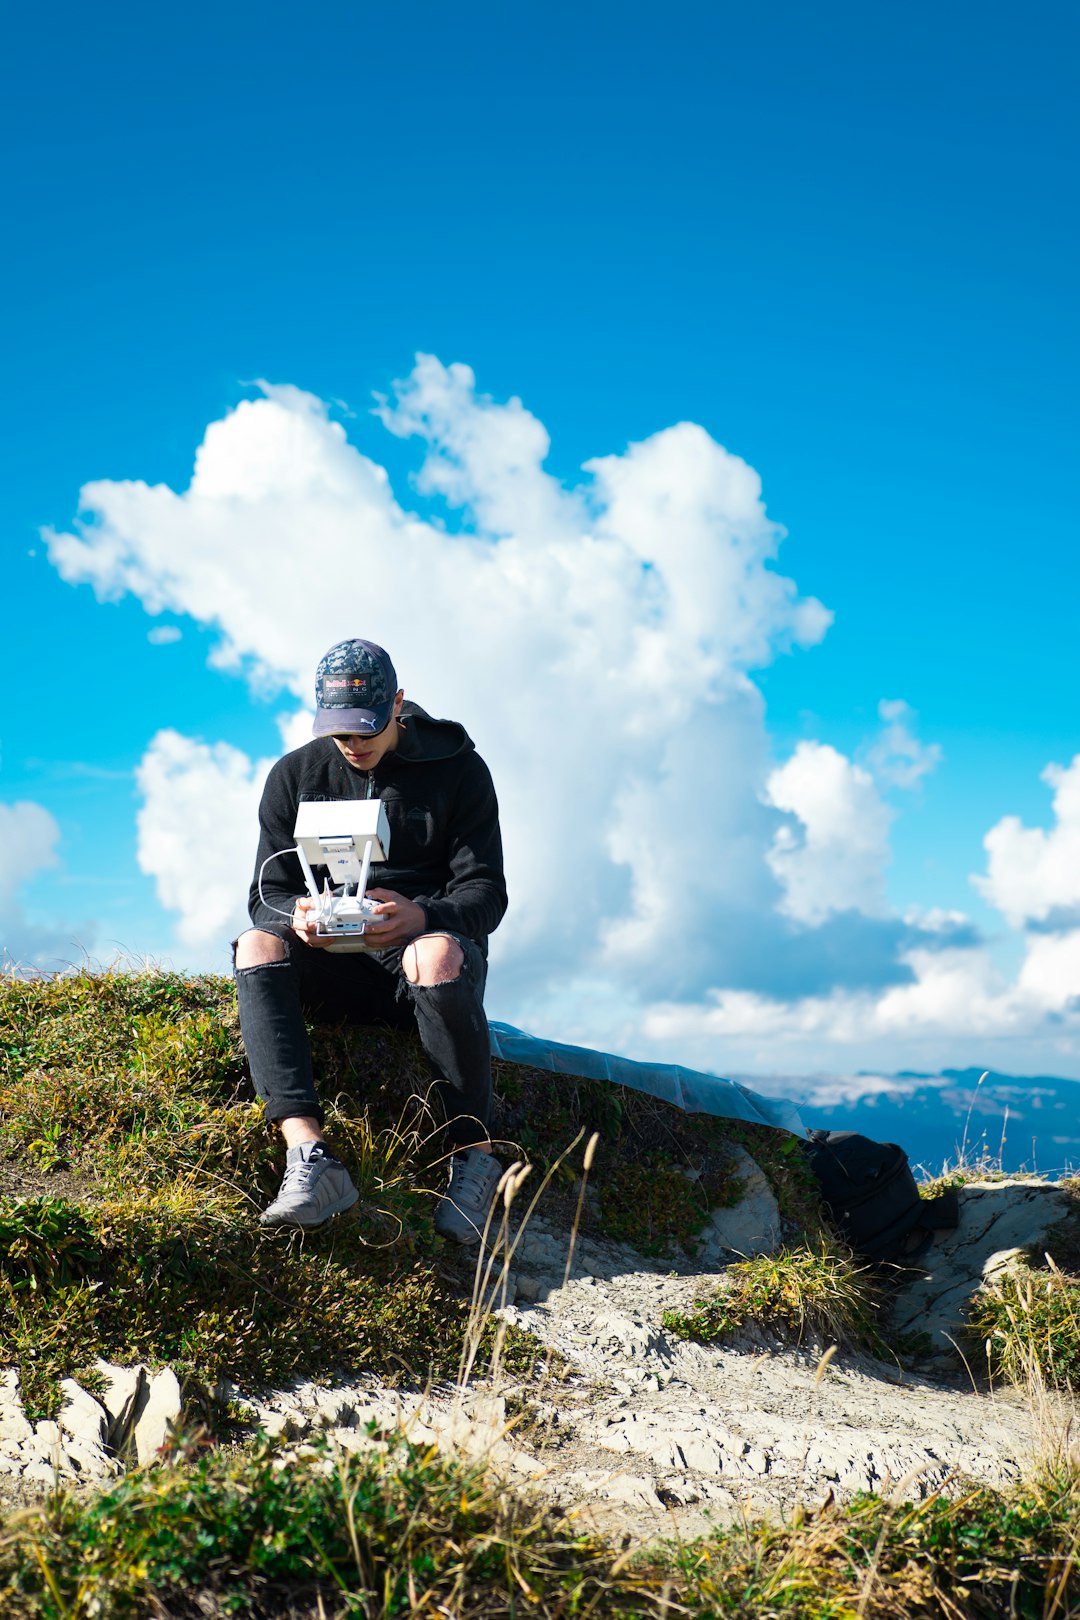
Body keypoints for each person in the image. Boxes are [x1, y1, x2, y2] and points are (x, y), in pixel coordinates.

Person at [234, 638, 508, 1242]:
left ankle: (476, 1157)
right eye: (341, 735)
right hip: (334, 962)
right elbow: (266, 892)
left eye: (367, 731)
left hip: (426, 965)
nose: (355, 747)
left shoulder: (459, 768)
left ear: (398, 705)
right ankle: (310, 1159)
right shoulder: (295, 775)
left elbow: (486, 893)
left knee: (433, 951)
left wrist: (422, 914)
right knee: (256, 943)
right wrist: (297, 917)